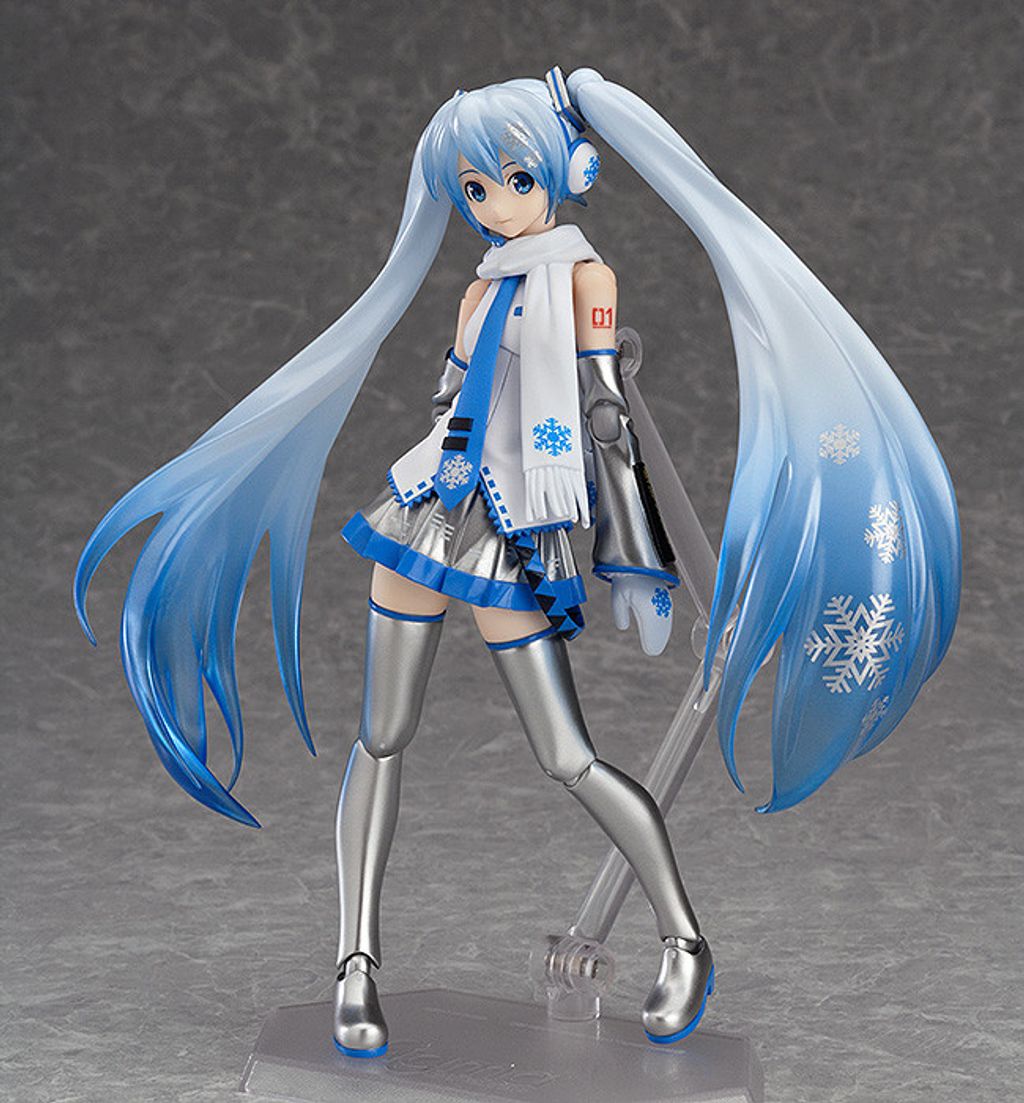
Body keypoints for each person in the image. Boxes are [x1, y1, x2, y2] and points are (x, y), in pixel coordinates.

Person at [74, 67, 961, 1059]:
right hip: (428, 507)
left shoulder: (585, 282)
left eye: (516, 180)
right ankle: (355, 962)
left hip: (516, 526)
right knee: (381, 737)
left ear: (569, 172)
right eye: (475, 188)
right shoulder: (479, 287)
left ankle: (684, 938)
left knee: (566, 754)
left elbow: (607, 419)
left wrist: (637, 558)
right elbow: (453, 398)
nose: (496, 204)